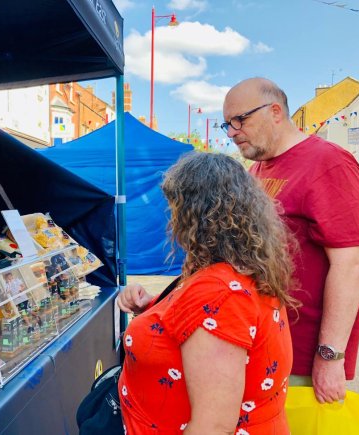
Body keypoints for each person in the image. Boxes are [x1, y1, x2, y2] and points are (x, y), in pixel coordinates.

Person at [117, 153, 296, 434]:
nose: (172, 219)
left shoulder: (220, 292)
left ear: (196, 214)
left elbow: (212, 426)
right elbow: (197, 328)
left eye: (175, 208)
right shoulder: (238, 272)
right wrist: (151, 308)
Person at [222, 77, 359, 404]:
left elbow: (351, 263)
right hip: (261, 344)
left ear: (275, 112)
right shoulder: (257, 169)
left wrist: (330, 357)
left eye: (239, 120)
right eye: (226, 124)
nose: (231, 133)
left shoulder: (329, 162)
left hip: (302, 357)